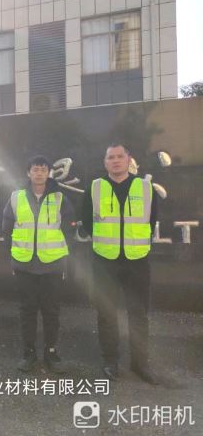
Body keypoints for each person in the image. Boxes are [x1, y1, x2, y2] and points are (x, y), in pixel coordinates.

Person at [81, 143, 159, 384]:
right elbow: (86, 222)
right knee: (107, 313)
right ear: (105, 162)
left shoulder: (145, 187)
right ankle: (110, 361)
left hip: (137, 260)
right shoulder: (95, 187)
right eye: (110, 157)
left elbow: (151, 220)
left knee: (138, 314)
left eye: (120, 156)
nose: (115, 161)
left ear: (128, 160)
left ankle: (140, 364)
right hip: (105, 261)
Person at [2, 155, 75, 373]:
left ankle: (51, 353)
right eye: (35, 169)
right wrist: (14, 254)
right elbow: (7, 228)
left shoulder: (60, 198)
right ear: (29, 173)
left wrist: (61, 252)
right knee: (27, 311)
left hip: (52, 265)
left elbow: (69, 229)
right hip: (24, 265)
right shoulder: (16, 197)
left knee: (51, 311)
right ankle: (29, 353)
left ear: (49, 173)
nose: (39, 173)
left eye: (43, 169)